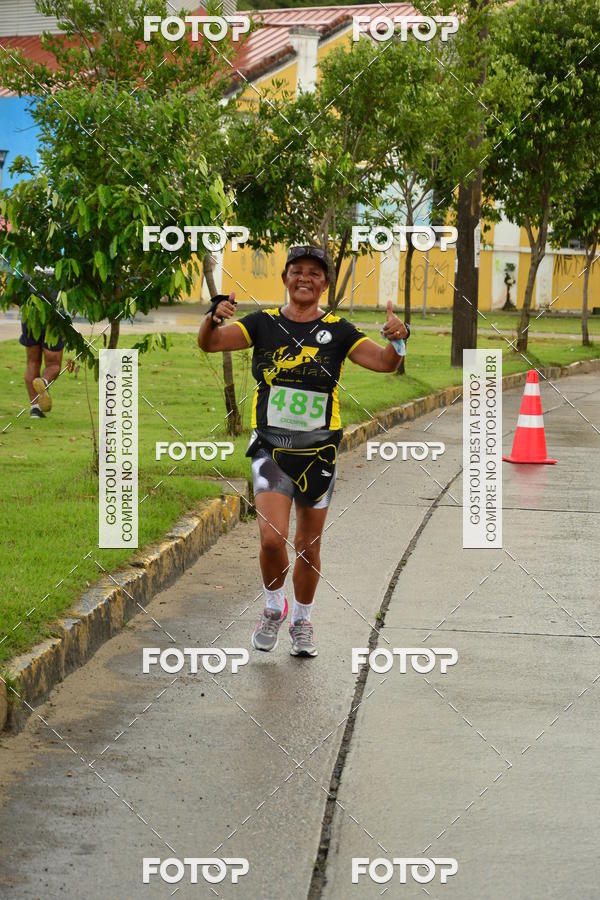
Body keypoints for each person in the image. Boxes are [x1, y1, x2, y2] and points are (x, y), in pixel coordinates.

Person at [198, 245, 409, 658]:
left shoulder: (340, 330)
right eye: (297, 271)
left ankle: (302, 622)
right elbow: (210, 344)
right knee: (272, 539)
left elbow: (384, 363)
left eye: (314, 273)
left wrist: (398, 342)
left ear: (325, 284)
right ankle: (275, 607)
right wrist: (212, 317)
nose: (305, 278)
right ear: (285, 279)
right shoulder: (262, 324)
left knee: (308, 546)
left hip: (318, 454)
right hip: (271, 449)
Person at [20, 319, 65, 418]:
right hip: (53, 318)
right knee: (53, 364)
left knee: (32, 362)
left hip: (30, 317)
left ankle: (35, 409)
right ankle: (44, 382)